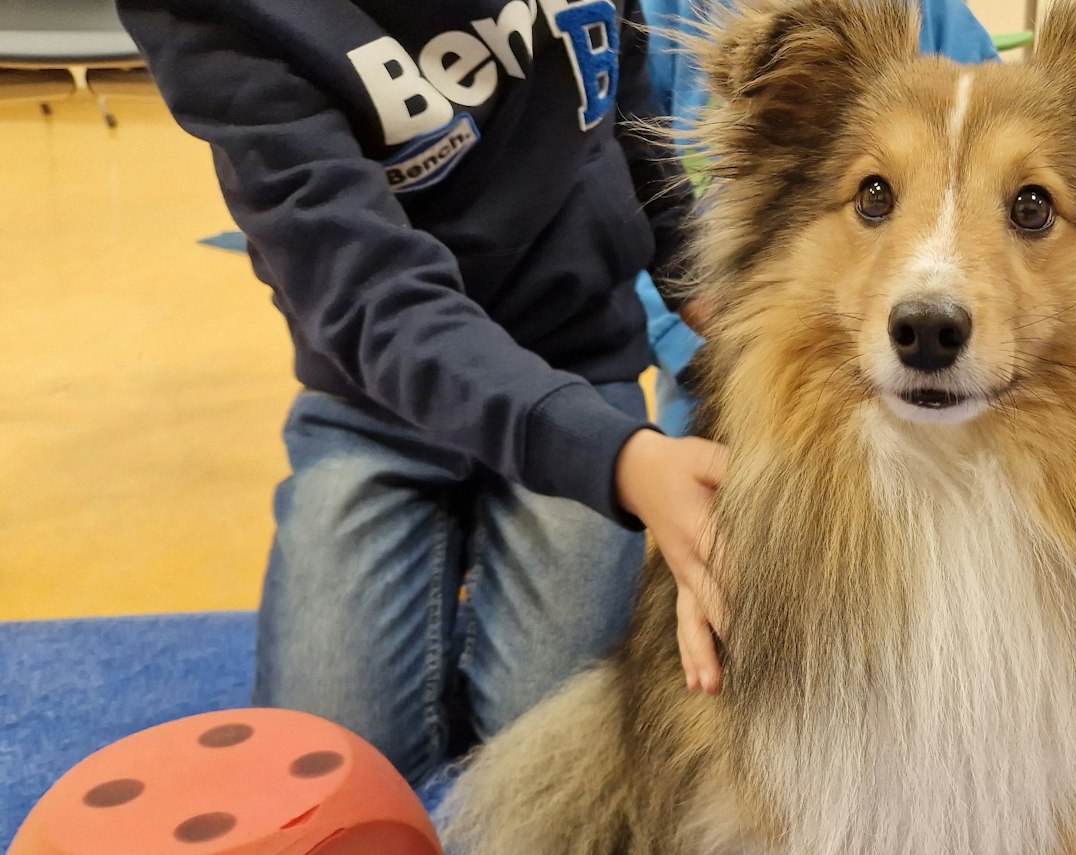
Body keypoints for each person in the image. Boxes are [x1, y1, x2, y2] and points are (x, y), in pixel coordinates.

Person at [119, 0, 727, 783]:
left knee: (543, 760)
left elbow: (623, 91)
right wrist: (627, 463)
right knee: (331, 765)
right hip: (377, 402)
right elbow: (370, 297)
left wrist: (698, 276)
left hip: (578, 360)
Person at [632, 0, 1002, 439]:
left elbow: (990, 121)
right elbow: (633, 200)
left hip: (976, 392)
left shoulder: (937, 13)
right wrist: (696, 336)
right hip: (723, 378)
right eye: (874, 198)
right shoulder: (666, 12)